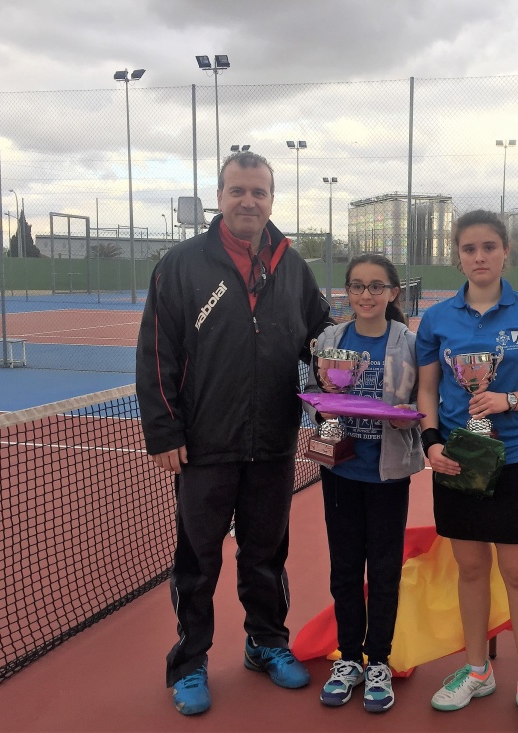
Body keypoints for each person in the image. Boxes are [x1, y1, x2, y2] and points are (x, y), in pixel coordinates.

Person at [135, 150, 334, 716]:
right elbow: (157, 354)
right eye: (238, 191)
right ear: (218, 198)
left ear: (272, 199)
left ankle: (266, 642)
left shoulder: (292, 266)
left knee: (266, 553)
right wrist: (165, 431)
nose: (249, 201)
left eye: (260, 192)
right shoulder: (179, 266)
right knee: (198, 562)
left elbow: (322, 340)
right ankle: (191, 660)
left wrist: (382, 342)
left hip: (272, 442)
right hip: (202, 444)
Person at [415, 209, 518, 733]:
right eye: (469, 249)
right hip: (455, 462)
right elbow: (427, 389)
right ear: (457, 255)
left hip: (516, 460)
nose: (479, 257)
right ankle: (478, 670)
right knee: (471, 569)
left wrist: (508, 400)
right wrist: (430, 443)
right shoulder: (436, 319)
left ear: (505, 252)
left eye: (488, 247)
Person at [301, 253, 425, 713]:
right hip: (340, 471)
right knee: (346, 566)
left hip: (387, 473)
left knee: (385, 569)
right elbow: (314, 393)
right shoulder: (331, 338)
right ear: (347, 292)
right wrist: (323, 410)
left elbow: (421, 398)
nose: (366, 295)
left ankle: (379, 659)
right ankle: (349, 657)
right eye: (357, 286)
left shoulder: (408, 341)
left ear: (394, 292)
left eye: (376, 287)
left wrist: (406, 420)